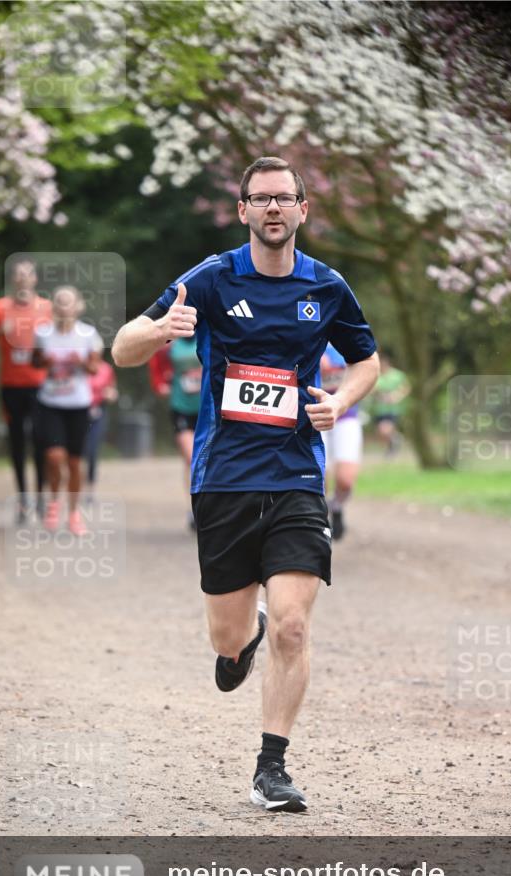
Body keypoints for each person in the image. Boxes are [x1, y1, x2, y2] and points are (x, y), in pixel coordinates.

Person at [112, 156, 379, 812]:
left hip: (293, 475)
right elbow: (120, 348)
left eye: (284, 198)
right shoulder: (209, 278)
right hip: (224, 478)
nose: (272, 209)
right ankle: (240, 643)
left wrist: (340, 403)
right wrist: (157, 330)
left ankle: (272, 766)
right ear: (242, 211)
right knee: (229, 638)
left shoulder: (326, 286)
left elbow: (366, 360)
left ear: (301, 210)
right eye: (260, 199)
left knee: (292, 624)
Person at [0, 259, 52, 520]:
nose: (23, 279)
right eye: (18, 275)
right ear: (13, 280)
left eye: (27, 274)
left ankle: (42, 498)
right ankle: (23, 501)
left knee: (42, 441)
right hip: (11, 386)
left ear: (34, 279)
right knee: (17, 442)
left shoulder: (46, 308)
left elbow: (58, 341)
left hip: (41, 385)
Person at [32, 286, 103, 536]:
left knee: (74, 462)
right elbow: (35, 361)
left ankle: (73, 514)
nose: (64, 307)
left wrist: (81, 362)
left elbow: (95, 368)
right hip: (49, 403)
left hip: (78, 405)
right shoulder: (43, 333)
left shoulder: (88, 334)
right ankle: (54, 501)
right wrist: (46, 362)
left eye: (68, 302)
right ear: (54, 306)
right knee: (53, 457)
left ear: (77, 306)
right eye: (60, 302)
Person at [148, 335, 202, 531]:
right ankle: (195, 508)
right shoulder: (171, 346)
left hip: (207, 407)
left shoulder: (208, 336)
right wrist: (160, 384)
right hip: (181, 407)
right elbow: (155, 363)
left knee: (205, 459)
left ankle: (205, 505)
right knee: (192, 458)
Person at [320, 342, 363, 540]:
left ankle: (336, 506)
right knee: (319, 476)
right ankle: (321, 517)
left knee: (345, 479)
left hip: (345, 415)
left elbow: (365, 363)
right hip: (314, 415)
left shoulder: (346, 331)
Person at [84, 357, 118, 502]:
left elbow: (113, 393)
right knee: (78, 452)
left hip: (98, 413)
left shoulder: (106, 369)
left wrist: (109, 395)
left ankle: (90, 489)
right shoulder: (80, 366)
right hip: (78, 412)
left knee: (92, 451)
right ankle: (76, 487)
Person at [369, 351, 410, 455]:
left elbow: (406, 388)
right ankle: (393, 443)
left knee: (385, 430)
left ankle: (395, 440)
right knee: (380, 433)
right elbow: (371, 390)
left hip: (393, 409)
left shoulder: (397, 375)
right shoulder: (375, 375)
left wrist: (396, 396)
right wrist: (377, 394)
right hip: (378, 409)